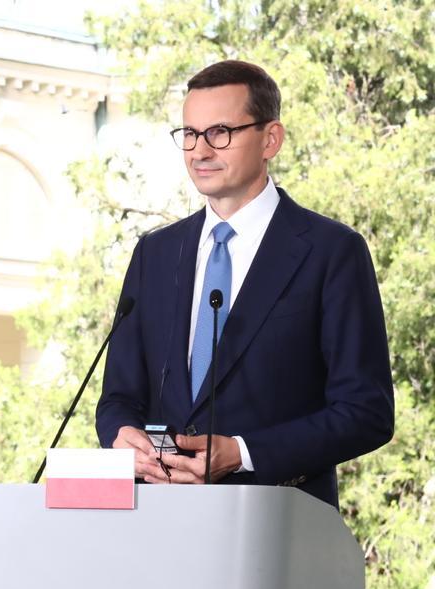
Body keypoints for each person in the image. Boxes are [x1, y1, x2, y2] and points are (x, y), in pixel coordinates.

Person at [95, 60, 393, 508]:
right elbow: (118, 397)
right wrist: (122, 437)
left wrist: (244, 453)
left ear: (270, 139)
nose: (200, 151)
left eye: (220, 132)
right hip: (157, 525)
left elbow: (366, 412)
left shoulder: (332, 252)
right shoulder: (155, 254)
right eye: (190, 135)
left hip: (277, 528)